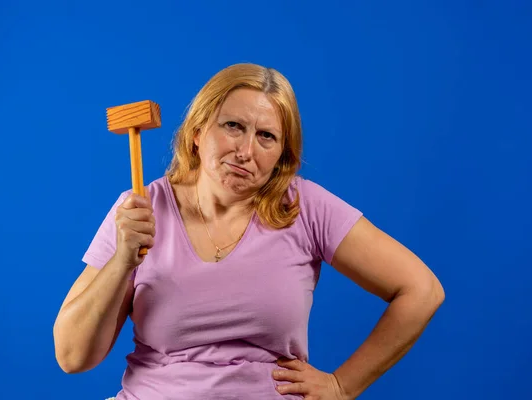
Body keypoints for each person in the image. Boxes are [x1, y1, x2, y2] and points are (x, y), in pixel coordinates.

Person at [53, 63, 445, 400]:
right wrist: (122, 261)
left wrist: (342, 386)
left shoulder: (305, 207)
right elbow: (72, 357)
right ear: (197, 131)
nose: (246, 151)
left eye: (266, 137)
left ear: (281, 156)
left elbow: (421, 290)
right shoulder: (140, 208)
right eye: (233, 127)